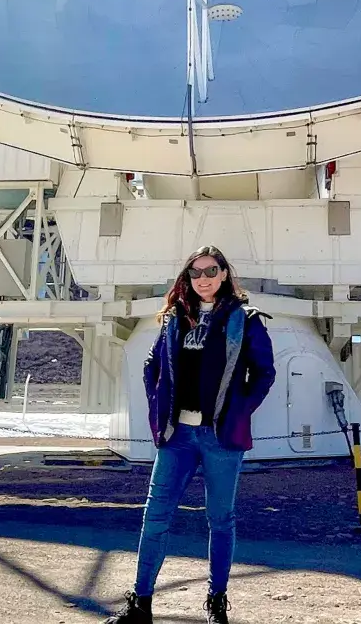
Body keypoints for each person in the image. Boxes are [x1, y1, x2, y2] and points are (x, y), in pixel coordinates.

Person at [103, 245, 276, 624]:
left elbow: (265, 373)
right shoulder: (174, 320)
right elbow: (152, 366)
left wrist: (238, 411)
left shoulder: (245, 320)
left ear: (225, 274)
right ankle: (141, 605)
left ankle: (217, 601)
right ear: (187, 277)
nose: (204, 279)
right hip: (178, 435)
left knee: (220, 518)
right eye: (196, 273)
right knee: (156, 516)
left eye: (211, 271)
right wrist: (159, 407)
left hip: (220, 438)